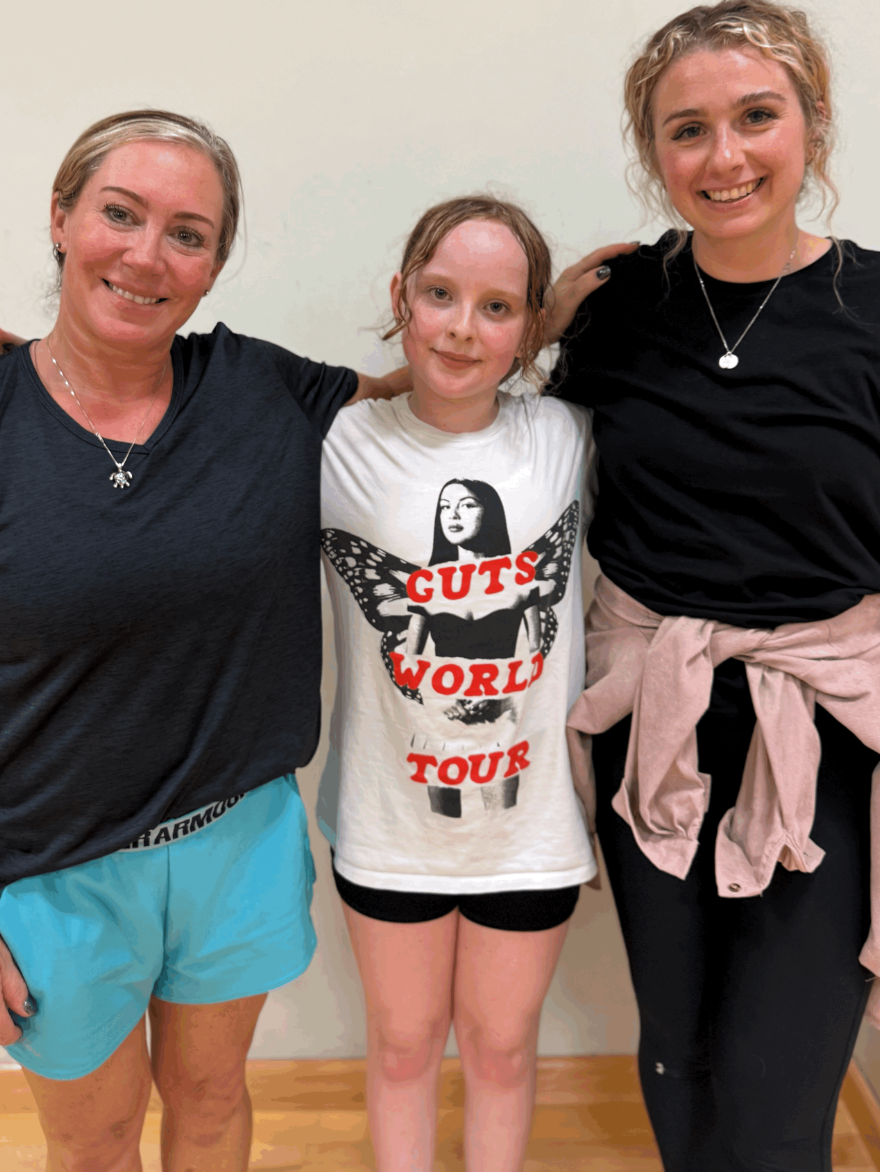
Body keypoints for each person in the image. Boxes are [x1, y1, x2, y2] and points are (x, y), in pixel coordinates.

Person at [0, 108, 410, 1172]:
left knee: (215, 1098)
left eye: (187, 233)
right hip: (48, 871)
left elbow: (434, 379)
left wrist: (544, 310)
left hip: (238, 834)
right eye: (120, 214)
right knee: (92, 1142)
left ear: (216, 263)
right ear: (60, 216)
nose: (146, 254)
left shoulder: (263, 388)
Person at [550, 2, 880, 1169]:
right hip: (658, 716)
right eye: (687, 129)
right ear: (654, 154)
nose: (724, 155)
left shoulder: (872, 306)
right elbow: (485, 416)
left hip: (827, 732)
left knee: (778, 1089)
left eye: (756, 117)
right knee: (675, 1052)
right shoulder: (614, 312)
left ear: (814, 125)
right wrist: (534, 322)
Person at [317, 196, 596, 1171]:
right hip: (390, 822)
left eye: (495, 306)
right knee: (400, 1048)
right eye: (440, 294)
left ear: (529, 328)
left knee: (501, 1048)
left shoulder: (566, 436)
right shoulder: (338, 443)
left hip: (530, 831)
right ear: (401, 296)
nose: (461, 327)